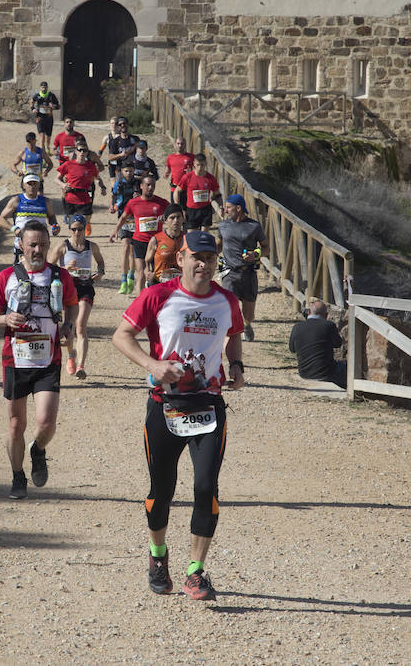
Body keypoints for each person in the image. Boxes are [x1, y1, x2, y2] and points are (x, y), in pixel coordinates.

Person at [112, 230, 245, 600]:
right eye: (196, 257)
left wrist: (235, 365)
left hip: (208, 405)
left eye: (210, 257)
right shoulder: (158, 296)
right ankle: (158, 556)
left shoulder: (226, 300)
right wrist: (153, 364)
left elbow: (234, 333)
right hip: (164, 405)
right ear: (181, 259)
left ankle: (196, 571)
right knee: (162, 490)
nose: (203, 263)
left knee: (206, 487)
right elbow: (121, 335)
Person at [0, 220, 78, 499]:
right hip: (15, 360)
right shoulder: (6, 277)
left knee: (47, 422)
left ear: (49, 245)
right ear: (21, 246)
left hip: (48, 359)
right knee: (16, 425)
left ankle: (38, 450)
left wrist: (69, 326)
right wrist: (4, 318)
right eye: (32, 244)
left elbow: (72, 306)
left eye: (42, 244)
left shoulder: (60, 277)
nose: (37, 250)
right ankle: (17, 476)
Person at [48, 214, 105, 379]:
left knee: (81, 326)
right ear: (69, 229)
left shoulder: (92, 246)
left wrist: (100, 273)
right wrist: (65, 268)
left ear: (85, 229)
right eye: (74, 229)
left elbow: (100, 262)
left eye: (80, 229)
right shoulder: (62, 247)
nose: (77, 232)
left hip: (86, 288)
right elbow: (49, 268)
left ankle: (81, 365)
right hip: (67, 291)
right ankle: (71, 354)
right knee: (69, 328)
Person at [217, 194, 269, 342]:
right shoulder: (223, 226)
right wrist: (208, 254)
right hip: (229, 273)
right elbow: (219, 245)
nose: (225, 211)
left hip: (248, 274)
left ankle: (247, 325)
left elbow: (266, 248)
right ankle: (232, 336)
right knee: (228, 308)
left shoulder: (254, 226)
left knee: (249, 315)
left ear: (238, 208)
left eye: (228, 207)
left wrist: (256, 254)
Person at [110, 175, 168, 296]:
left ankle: (154, 297)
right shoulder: (133, 203)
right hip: (139, 241)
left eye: (153, 185)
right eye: (148, 185)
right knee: (141, 272)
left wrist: (166, 217)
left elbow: (175, 213)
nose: (150, 187)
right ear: (141, 186)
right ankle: (140, 301)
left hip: (156, 242)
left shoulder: (161, 202)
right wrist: (115, 231)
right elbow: (123, 217)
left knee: (156, 272)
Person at [0, 174, 60, 263]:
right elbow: (1, 219)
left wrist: (55, 225)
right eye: (29, 183)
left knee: (40, 272)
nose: (32, 186)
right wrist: (14, 229)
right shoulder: (17, 200)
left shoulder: (46, 201)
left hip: (40, 245)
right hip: (22, 245)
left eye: (35, 183)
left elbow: (52, 217)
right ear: (23, 185)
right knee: (21, 273)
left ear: (39, 185)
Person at [289, 299, 346, 388]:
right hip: (325, 373)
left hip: (304, 373)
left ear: (308, 313)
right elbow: (338, 344)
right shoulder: (329, 325)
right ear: (326, 315)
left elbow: (292, 349)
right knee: (346, 366)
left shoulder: (297, 327)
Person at [56, 140, 106, 231]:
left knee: (85, 220)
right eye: (80, 150)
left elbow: (98, 178)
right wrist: (63, 185)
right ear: (75, 151)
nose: (82, 152)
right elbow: (56, 179)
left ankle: (85, 228)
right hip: (71, 196)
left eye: (85, 150)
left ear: (87, 152)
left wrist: (103, 187)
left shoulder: (90, 166)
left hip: (84, 197)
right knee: (73, 226)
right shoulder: (68, 164)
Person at [111, 161, 140, 293]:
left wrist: (139, 197)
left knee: (132, 252)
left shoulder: (138, 184)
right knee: (125, 248)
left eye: (131, 170)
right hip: (123, 219)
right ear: (121, 171)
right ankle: (123, 281)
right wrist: (112, 205)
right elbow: (114, 195)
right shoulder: (119, 184)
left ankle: (131, 277)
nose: (129, 173)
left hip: (136, 219)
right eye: (126, 171)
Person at [174, 153, 222, 229]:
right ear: (194, 164)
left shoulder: (211, 178)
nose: (200, 168)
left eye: (202, 165)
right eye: (198, 165)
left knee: (203, 237)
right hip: (192, 210)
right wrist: (178, 208)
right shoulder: (187, 177)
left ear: (206, 164)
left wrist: (220, 207)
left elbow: (218, 194)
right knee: (192, 236)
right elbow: (177, 191)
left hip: (205, 209)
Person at [144, 204, 185, 285]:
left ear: (183, 219)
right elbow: (146, 262)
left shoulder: (187, 239)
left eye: (178, 217)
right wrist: (148, 274)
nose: (176, 220)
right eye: (172, 218)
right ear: (165, 220)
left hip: (181, 283)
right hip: (159, 283)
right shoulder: (156, 240)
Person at [164, 137, 194, 210]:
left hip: (187, 188)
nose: (180, 146)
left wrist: (191, 173)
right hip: (174, 188)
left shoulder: (191, 157)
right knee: (175, 210)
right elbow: (168, 169)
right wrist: (166, 174)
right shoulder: (170, 157)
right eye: (178, 144)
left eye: (182, 144)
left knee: (188, 210)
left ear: (185, 145)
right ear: (175, 145)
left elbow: (197, 172)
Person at [31, 81, 60, 154]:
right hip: (40, 118)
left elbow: (58, 106)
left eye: (45, 87)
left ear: (47, 87)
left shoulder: (51, 96)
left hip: (49, 118)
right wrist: (33, 109)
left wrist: (53, 106)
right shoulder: (37, 96)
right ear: (40, 88)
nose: (44, 89)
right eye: (42, 87)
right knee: (42, 136)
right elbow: (31, 101)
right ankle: (42, 152)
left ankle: (47, 147)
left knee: (48, 137)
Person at [98, 117, 121, 182]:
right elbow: (100, 151)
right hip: (111, 162)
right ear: (110, 125)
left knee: (119, 181)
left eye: (115, 123)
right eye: (112, 123)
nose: (114, 125)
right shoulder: (107, 138)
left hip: (120, 161)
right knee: (113, 181)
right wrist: (96, 160)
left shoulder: (121, 136)